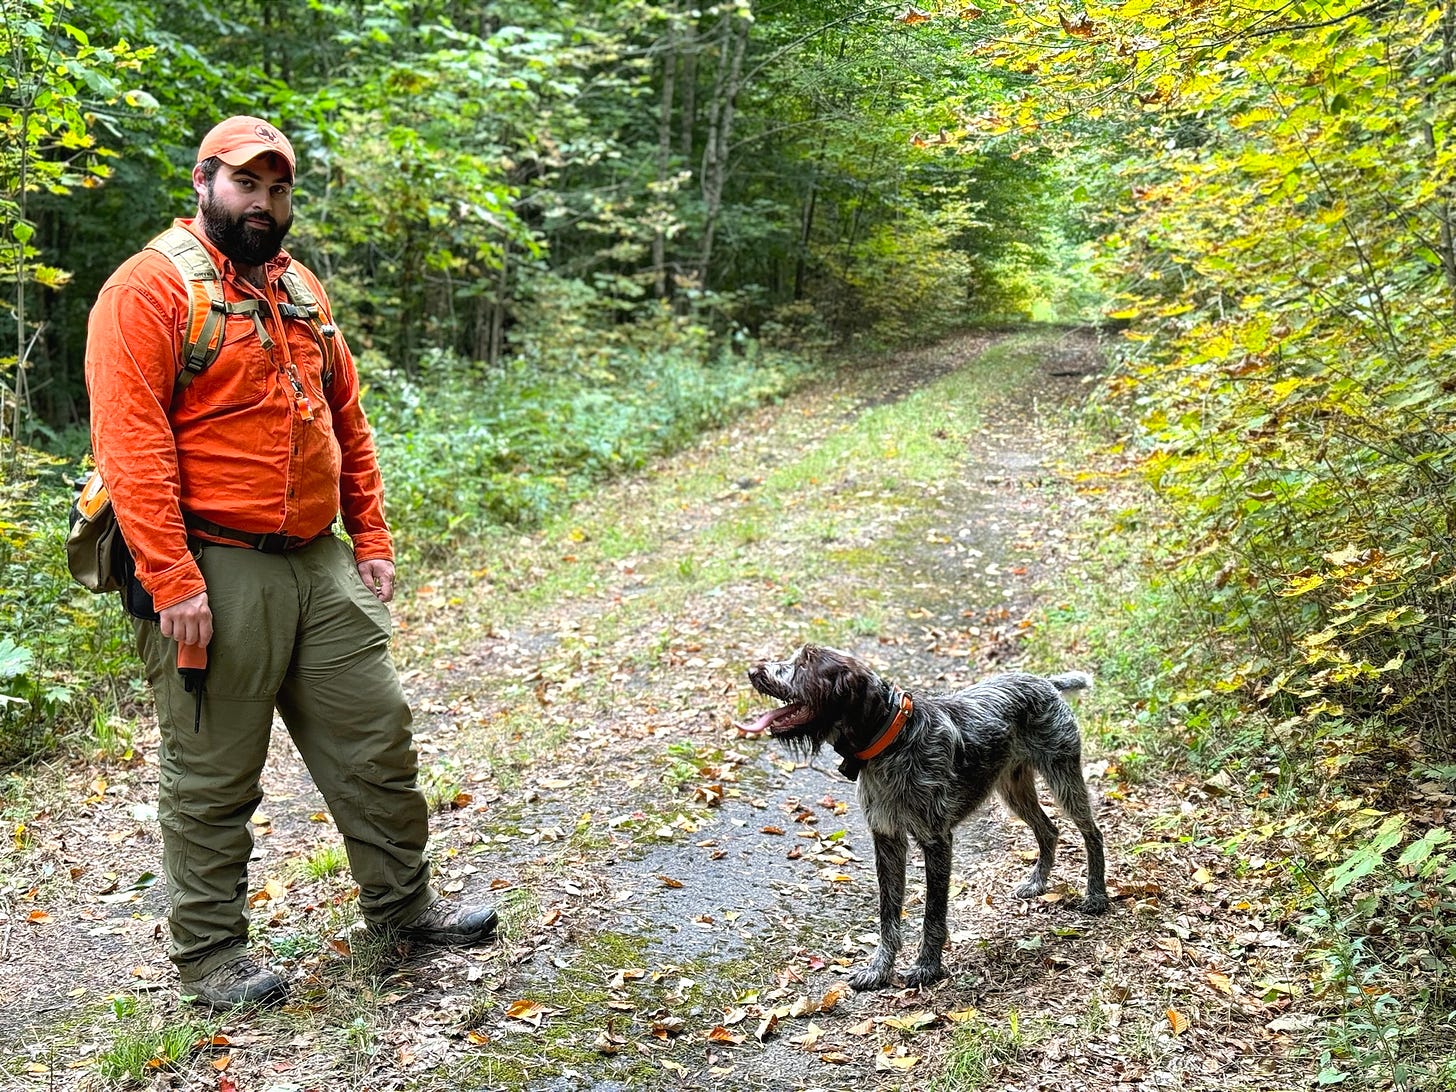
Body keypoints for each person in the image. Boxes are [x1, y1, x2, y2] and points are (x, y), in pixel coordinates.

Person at [84, 116, 496, 1008]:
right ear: (204, 182)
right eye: (246, 185)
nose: (263, 204)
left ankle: (403, 909)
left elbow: (346, 418)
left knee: (377, 738)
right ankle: (210, 958)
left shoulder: (298, 288)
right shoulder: (148, 289)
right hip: (213, 567)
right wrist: (172, 581)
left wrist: (371, 538)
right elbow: (132, 446)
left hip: (319, 561)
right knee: (213, 773)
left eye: (277, 189)